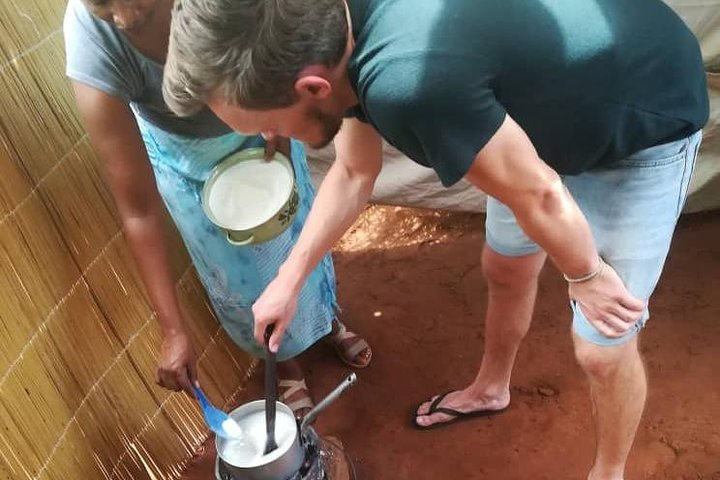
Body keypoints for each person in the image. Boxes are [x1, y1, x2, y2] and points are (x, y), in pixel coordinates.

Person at [162, 0, 708, 478]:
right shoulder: (333, 27)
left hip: (640, 119)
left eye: (265, 122)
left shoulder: (410, 82)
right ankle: (492, 388)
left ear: (312, 86)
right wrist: (288, 278)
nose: (267, 137)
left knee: (600, 345)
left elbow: (539, 193)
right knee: (507, 267)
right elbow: (354, 174)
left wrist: (585, 274)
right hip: (529, 130)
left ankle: (608, 472)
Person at [63, 0, 372, 419]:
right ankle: (284, 362)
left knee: (297, 231)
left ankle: (326, 319)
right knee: (243, 273)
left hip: (268, 109)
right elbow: (137, 208)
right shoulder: (93, 42)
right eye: (102, 9)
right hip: (188, 157)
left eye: (141, 9)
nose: (121, 21)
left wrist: (277, 126)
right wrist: (172, 330)